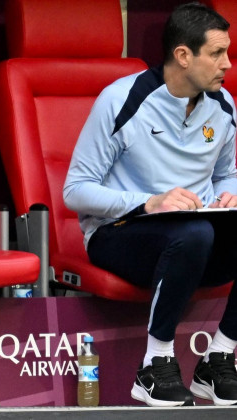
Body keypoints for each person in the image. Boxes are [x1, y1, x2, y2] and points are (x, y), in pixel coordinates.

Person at [64, 2, 237, 408]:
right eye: (216, 54)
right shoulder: (122, 100)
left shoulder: (224, 105)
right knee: (194, 233)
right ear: (182, 55)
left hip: (198, 234)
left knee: (200, 231)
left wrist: (231, 192)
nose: (227, 64)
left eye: (227, 53)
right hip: (117, 234)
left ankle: (219, 357)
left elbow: (227, 172)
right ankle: (153, 366)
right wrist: (150, 202)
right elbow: (75, 190)